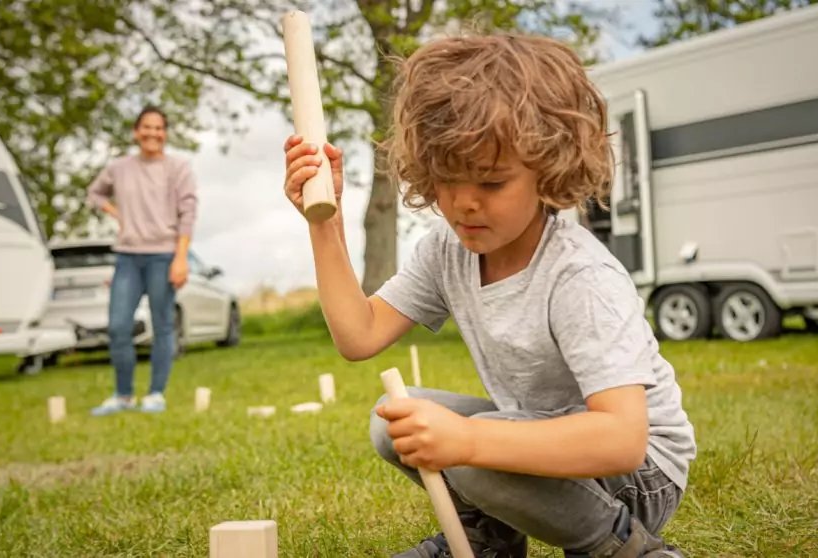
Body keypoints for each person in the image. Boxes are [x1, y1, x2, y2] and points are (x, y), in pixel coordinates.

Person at [281, 33, 695, 558]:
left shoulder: (579, 274)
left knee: (470, 446)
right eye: (447, 179)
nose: (464, 204)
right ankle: (488, 541)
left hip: (638, 476)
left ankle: (627, 547)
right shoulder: (447, 251)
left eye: (492, 183)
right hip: (543, 439)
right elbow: (358, 334)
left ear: (548, 171)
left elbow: (622, 438)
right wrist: (326, 220)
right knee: (396, 415)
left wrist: (469, 443)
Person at [86, 105, 197, 415]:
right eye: (146, 127)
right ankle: (123, 395)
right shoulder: (119, 168)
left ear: (165, 133)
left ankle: (155, 394)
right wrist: (117, 213)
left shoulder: (178, 168)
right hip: (128, 257)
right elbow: (94, 194)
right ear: (136, 132)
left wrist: (181, 258)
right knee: (119, 327)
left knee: (162, 326)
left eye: (159, 128)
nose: (153, 133)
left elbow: (188, 213)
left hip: (164, 255)